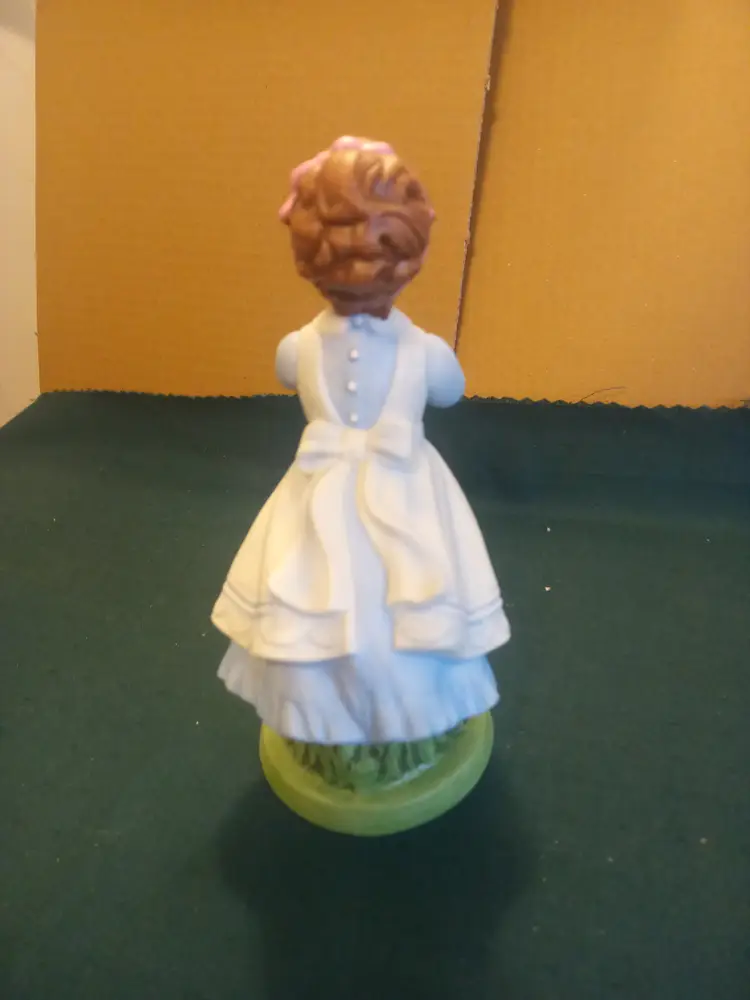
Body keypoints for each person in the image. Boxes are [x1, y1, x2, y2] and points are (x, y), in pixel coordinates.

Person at [212, 136, 510, 746]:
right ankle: (364, 721)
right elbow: (451, 393)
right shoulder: (427, 353)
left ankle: (372, 720)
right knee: (391, 599)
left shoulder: (296, 350)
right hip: (397, 491)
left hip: (336, 487)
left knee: (328, 596)